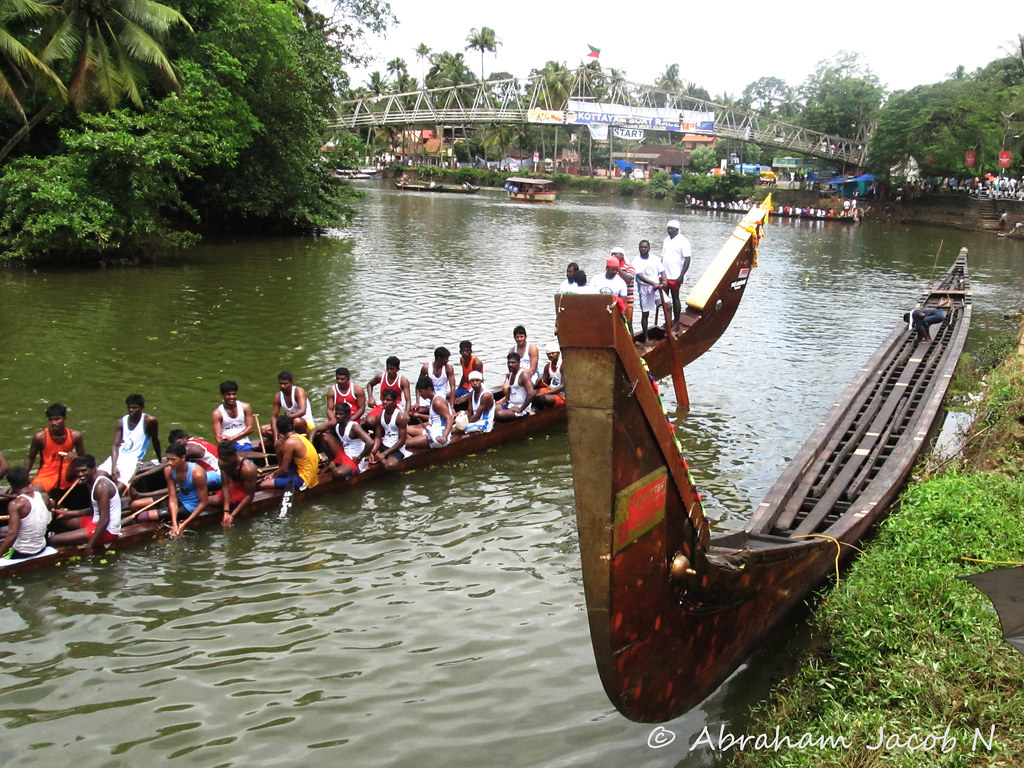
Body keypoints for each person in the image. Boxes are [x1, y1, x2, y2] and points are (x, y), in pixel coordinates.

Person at [49, 455, 121, 556]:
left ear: (93, 469)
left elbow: (104, 519)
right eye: (78, 471)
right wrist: (67, 513)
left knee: (53, 540)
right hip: (95, 521)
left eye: (84, 471)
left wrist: (90, 546)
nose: (80, 474)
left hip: (107, 531)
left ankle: (79, 541)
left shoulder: (101, 486)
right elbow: (93, 510)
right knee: (62, 521)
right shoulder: (90, 482)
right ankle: (76, 538)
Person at [99, 394, 161, 488]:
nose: (131, 410)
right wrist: (114, 466)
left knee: (120, 486)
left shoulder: (149, 421)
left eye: (135, 408)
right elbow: (115, 445)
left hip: (133, 459)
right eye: (129, 408)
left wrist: (160, 460)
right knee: (98, 476)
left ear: (142, 408)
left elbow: (155, 440)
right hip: (117, 456)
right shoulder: (121, 421)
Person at [24, 402, 85, 496]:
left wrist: (75, 457)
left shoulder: (75, 436)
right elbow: (30, 458)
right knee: (34, 493)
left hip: (67, 472)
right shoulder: (40, 437)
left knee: (77, 461)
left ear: (65, 419)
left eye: (57, 419)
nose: (54, 423)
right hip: (46, 474)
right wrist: (22, 478)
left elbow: (84, 458)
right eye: (51, 420)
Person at [156, 442, 212, 538]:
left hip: (190, 506)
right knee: (135, 505)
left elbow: (204, 503)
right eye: (168, 459)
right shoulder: (168, 470)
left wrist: (184, 524)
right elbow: (172, 497)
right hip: (180, 498)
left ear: (183, 458)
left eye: (173, 459)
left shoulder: (197, 473)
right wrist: (174, 523)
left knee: (143, 517)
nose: (169, 463)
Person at [1, 467, 52, 560]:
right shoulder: (44, 496)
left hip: (22, 553)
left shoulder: (15, 504)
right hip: (41, 548)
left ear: (12, 486)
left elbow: (12, 534)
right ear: (29, 480)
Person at [260, 415, 320, 492]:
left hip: (304, 480)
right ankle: (283, 478)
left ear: (279, 431)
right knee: (278, 443)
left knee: (263, 484)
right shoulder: (298, 436)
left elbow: (284, 469)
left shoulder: (290, 443)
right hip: (304, 471)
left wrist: (272, 475)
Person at [314, 402, 373, 479]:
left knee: (337, 473)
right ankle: (332, 462)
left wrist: (359, 458)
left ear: (348, 415)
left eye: (341, 414)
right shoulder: (336, 423)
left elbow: (371, 442)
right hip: (343, 452)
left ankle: (333, 467)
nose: (338, 416)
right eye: (337, 414)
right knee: (324, 436)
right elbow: (315, 430)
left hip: (354, 459)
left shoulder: (354, 427)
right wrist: (310, 444)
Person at [406, 375, 455, 449]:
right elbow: (434, 418)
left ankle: (417, 447)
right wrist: (418, 415)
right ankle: (417, 446)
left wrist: (444, 436)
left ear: (428, 389)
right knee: (404, 429)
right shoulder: (433, 400)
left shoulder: (437, 402)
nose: (421, 395)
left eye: (421, 392)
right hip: (432, 429)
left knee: (403, 444)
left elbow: (449, 418)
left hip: (438, 436)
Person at [216, 441, 258, 526]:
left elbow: (250, 496)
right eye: (222, 459)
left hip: (245, 491)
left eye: (227, 460)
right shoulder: (222, 462)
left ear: (235, 455)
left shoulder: (248, 469)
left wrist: (232, 515)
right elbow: (225, 486)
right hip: (234, 487)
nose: (224, 463)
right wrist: (226, 511)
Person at [633, 238, 667, 342]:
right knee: (645, 313)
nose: (643, 249)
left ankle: (668, 330)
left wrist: (664, 281)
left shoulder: (655, 259)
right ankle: (646, 338)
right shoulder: (635, 261)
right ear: (639, 248)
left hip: (657, 288)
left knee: (667, 305)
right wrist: (653, 283)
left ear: (649, 248)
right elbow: (640, 276)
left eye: (645, 247)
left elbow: (662, 271)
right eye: (641, 247)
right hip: (644, 288)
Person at [369, 388, 411, 470]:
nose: (384, 402)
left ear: (395, 402)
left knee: (389, 465)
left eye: (388, 400)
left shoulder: (400, 417)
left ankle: (382, 459)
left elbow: (402, 441)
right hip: (384, 445)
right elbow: (378, 437)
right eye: (383, 399)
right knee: (369, 445)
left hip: (397, 448)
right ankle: (379, 457)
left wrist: (384, 454)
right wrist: (373, 451)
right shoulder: (379, 416)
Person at [269, 371, 315, 441]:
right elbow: (273, 417)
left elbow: (302, 411)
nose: (282, 386)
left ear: (292, 383)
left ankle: (304, 442)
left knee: (297, 421)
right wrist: (276, 436)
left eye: (285, 384)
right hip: (289, 426)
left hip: (305, 425)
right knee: (264, 429)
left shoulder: (298, 391)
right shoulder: (278, 396)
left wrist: (285, 419)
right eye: (281, 384)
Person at [366, 356, 413, 423]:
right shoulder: (380, 376)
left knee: (391, 421)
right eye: (387, 368)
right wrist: (370, 398)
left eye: (392, 369)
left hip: (395, 406)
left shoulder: (403, 381)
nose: (389, 371)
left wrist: (406, 414)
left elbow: (408, 400)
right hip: (382, 404)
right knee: (369, 421)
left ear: (398, 369)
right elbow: (369, 385)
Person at [661, 219, 692, 321]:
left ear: (677, 229)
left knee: (675, 298)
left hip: (676, 275)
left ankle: (677, 320)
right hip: (665, 275)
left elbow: (687, 259)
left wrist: (681, 275)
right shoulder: (666, 240)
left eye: (672, 229)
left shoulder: (683, 241)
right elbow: (662, 257)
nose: (670, 231)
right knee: (665, 299)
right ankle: (667, 321)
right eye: (668, 229)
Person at [212, 381, 256, 451]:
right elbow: (218, 437)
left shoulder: (245, 407)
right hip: (228, 445)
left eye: (234, 394)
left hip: (244, 443)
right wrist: (225, 444)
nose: (232, 397)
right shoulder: (217, 413)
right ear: (222, 395)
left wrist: (232, 438)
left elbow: (250, 428)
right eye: (228, 395)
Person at [496, 352, 534, 421]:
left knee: (499, 414)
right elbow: (510, 388)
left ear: (519, 363)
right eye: (509, 362)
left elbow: (531, 394)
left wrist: (521, 409)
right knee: (492, 409)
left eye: (513, 363)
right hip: (511, 404)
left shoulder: (523, 375)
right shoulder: (510, 374)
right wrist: (506, 399)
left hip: (522, 409)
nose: (510, 365)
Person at [418, 347, 456, 415]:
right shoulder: (426, 368)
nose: (447, 360)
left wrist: (452, 407)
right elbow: (418, 386)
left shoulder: (448, 368)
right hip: (427, 396)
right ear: (439, 358)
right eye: (446, 358)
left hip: (440, 397)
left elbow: (452, 388)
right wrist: (417, 402)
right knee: (416, 410)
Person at [532, 342, 565, 409]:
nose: (551, 355)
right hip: (550, 389)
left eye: (553, 353)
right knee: (531, 394)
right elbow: (544, 383)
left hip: (561, 394)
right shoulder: (547, 366)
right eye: (549, 354)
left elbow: (562, 386)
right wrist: (539, 382)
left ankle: (540, 409)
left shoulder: (563, 366)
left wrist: (545, 393)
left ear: (558, 353)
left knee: (540, 398)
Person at [611, 246, 636, 332]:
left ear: (622, 255)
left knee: (628, 323)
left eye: (615, 254)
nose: (613, 256)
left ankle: (631, 343)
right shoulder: (611, 269)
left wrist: (617, 268)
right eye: (612, 254)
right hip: (615, 302)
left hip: (627, 301)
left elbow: (628, 279)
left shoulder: (629, 267)